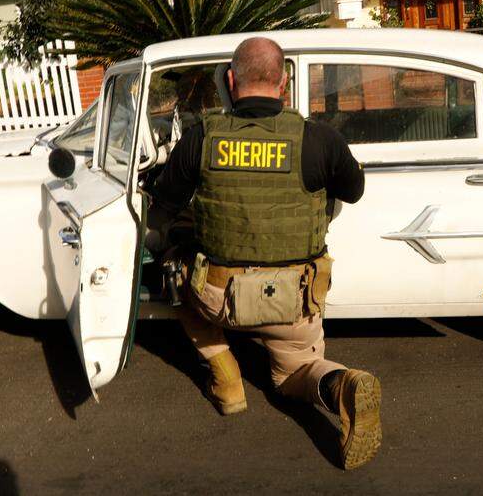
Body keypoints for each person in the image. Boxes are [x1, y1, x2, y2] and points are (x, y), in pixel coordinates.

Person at [148, 37, 379, 470]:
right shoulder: (319, 140)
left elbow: (166, 200)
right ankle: (341, 384)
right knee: (295, 374)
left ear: (231, 81)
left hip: (218, 300)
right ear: (285, 83)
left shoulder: (202, 137)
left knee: (175, 270)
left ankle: (227, 380)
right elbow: (354, 191)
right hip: (294, 301)